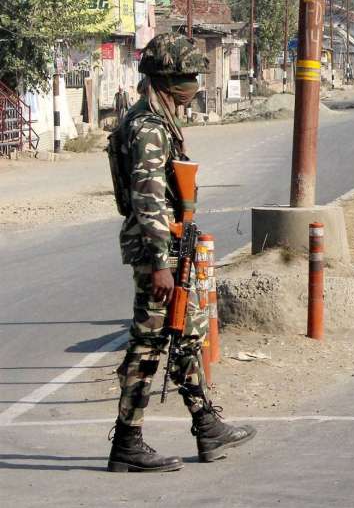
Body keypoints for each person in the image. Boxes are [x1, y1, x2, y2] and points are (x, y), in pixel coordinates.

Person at [106, 34, 255, 472]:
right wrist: (159, 263)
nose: (192, 86)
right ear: (167, 81)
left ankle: (206, 426)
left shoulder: (159, 120)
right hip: (159, 251)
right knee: (148, 345)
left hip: (171, 245)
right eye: (187, 77)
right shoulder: (148, 128)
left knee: (184, 334)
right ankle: (128, 443)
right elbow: (149, 198)